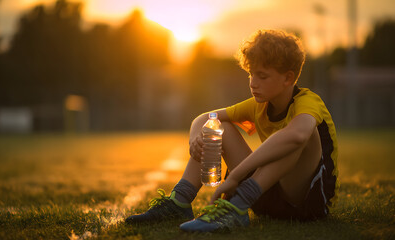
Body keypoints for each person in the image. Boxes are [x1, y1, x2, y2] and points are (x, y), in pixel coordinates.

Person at [125, 29, 339, 233]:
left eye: (262, 76)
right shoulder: (259, 105)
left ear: (288, 78)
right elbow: (204, 118)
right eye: (251, 75)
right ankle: (180, 201)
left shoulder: (308, 102)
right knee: (218, 125)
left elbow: (297, 136)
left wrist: (235, 176)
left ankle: (237, 205)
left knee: (298, 136)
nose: (253, 83)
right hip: (266, 194)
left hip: (306, 203)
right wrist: (195, 140)